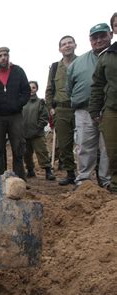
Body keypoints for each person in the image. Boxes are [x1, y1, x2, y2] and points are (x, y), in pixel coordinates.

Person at [67, 23, 112, 189]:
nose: (99, 40)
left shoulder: (113, 56)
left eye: (102, 36)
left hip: (110, 110)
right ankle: (84, 181)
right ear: (90, 40)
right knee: (85, 146)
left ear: (110, 35)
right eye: (95, 37)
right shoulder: (77, 63)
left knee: (108, 146)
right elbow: (69, 87)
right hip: (84, 110)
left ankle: (107, 181)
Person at [0, 47, 30, 180]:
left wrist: (17, 104)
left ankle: (20, 179)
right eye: (0, 56)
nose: (3, 58)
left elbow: (26, 91)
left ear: (8, 57)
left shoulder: (18, 71)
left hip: (15, 116)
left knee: (18, 148)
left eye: (5, 55)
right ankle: (0, 180)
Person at [45, 35, 78, 186]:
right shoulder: (55, 67)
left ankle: (90, 176)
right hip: (62, 110)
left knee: (86, 143)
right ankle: (71, 174)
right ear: (60, 49)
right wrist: (51, 108)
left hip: (80, 108)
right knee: (64, 145)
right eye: (64, 44)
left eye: (70, 42)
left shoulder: (82, 62)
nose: (67, 46)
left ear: (75, 45)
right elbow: (49, 90)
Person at [89, 17, 117, 193]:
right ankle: (115, 185)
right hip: (112, 110)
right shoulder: (107, 57)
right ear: (113, 30)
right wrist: (94, 110)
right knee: (113, 151)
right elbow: (98, 85)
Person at [23, 81, 56, 180]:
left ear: (36, 89)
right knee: (26, 154)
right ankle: (30, 170)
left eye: (33, 87)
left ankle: (48, 171)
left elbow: (44, 117)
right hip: (24, 133)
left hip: (37, 133)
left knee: (42, 152)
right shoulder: (22, 102)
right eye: (29, 88)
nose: (31, 90)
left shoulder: (40, 102)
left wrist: (38, 127)